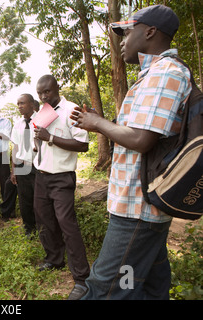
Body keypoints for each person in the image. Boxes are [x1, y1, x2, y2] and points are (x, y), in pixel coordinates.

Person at [71, 5, 191, 300]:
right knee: (149, 286)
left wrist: (97, 123)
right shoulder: (153, 74)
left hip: (137, 208)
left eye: (127, 31)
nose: (121, 39)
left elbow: (140, 139)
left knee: (105, 288)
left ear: (150, 32)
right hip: (140, 205)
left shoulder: (165, 73)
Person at [34, 74, 90, 300]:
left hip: (62, 177)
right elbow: (39, 138)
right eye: (39, 93)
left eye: (46, 91)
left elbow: (83, 145)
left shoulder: (72, 109)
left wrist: (50, 138)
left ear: (57, 88)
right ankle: (53, 259)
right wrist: (38, 144)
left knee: (67, 224)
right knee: (45, 220)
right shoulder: (43, 111)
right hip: (42, 176)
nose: (43, 96)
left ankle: (82, 279)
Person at [8, 93, 38, 236]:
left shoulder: (41, 121)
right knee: (24, 200)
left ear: (32, 104)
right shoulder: (18, 125)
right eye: (18, 103)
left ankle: (42, 228)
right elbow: (16, 148)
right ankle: (29, 229)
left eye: (22, 103)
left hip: (38, 167)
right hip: (21, 166)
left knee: (39, 200)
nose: (19, 106)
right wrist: (13, 170)